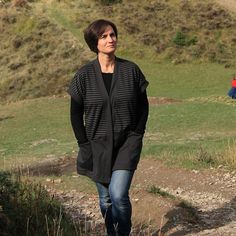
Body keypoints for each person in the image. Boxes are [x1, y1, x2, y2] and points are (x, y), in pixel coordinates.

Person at [67, 19, 149, 236]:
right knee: (105, 199)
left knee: (118, 194)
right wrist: (84, 144)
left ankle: (123, 233)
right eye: (104, 36)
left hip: (127, 143)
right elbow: (75, 114)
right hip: (96, 146)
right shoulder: (83, 76)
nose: (110, 39)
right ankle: (111, 232)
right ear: (95, 43)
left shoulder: (131, 71)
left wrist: (137, 134)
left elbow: (143, 105)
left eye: (112, 34)